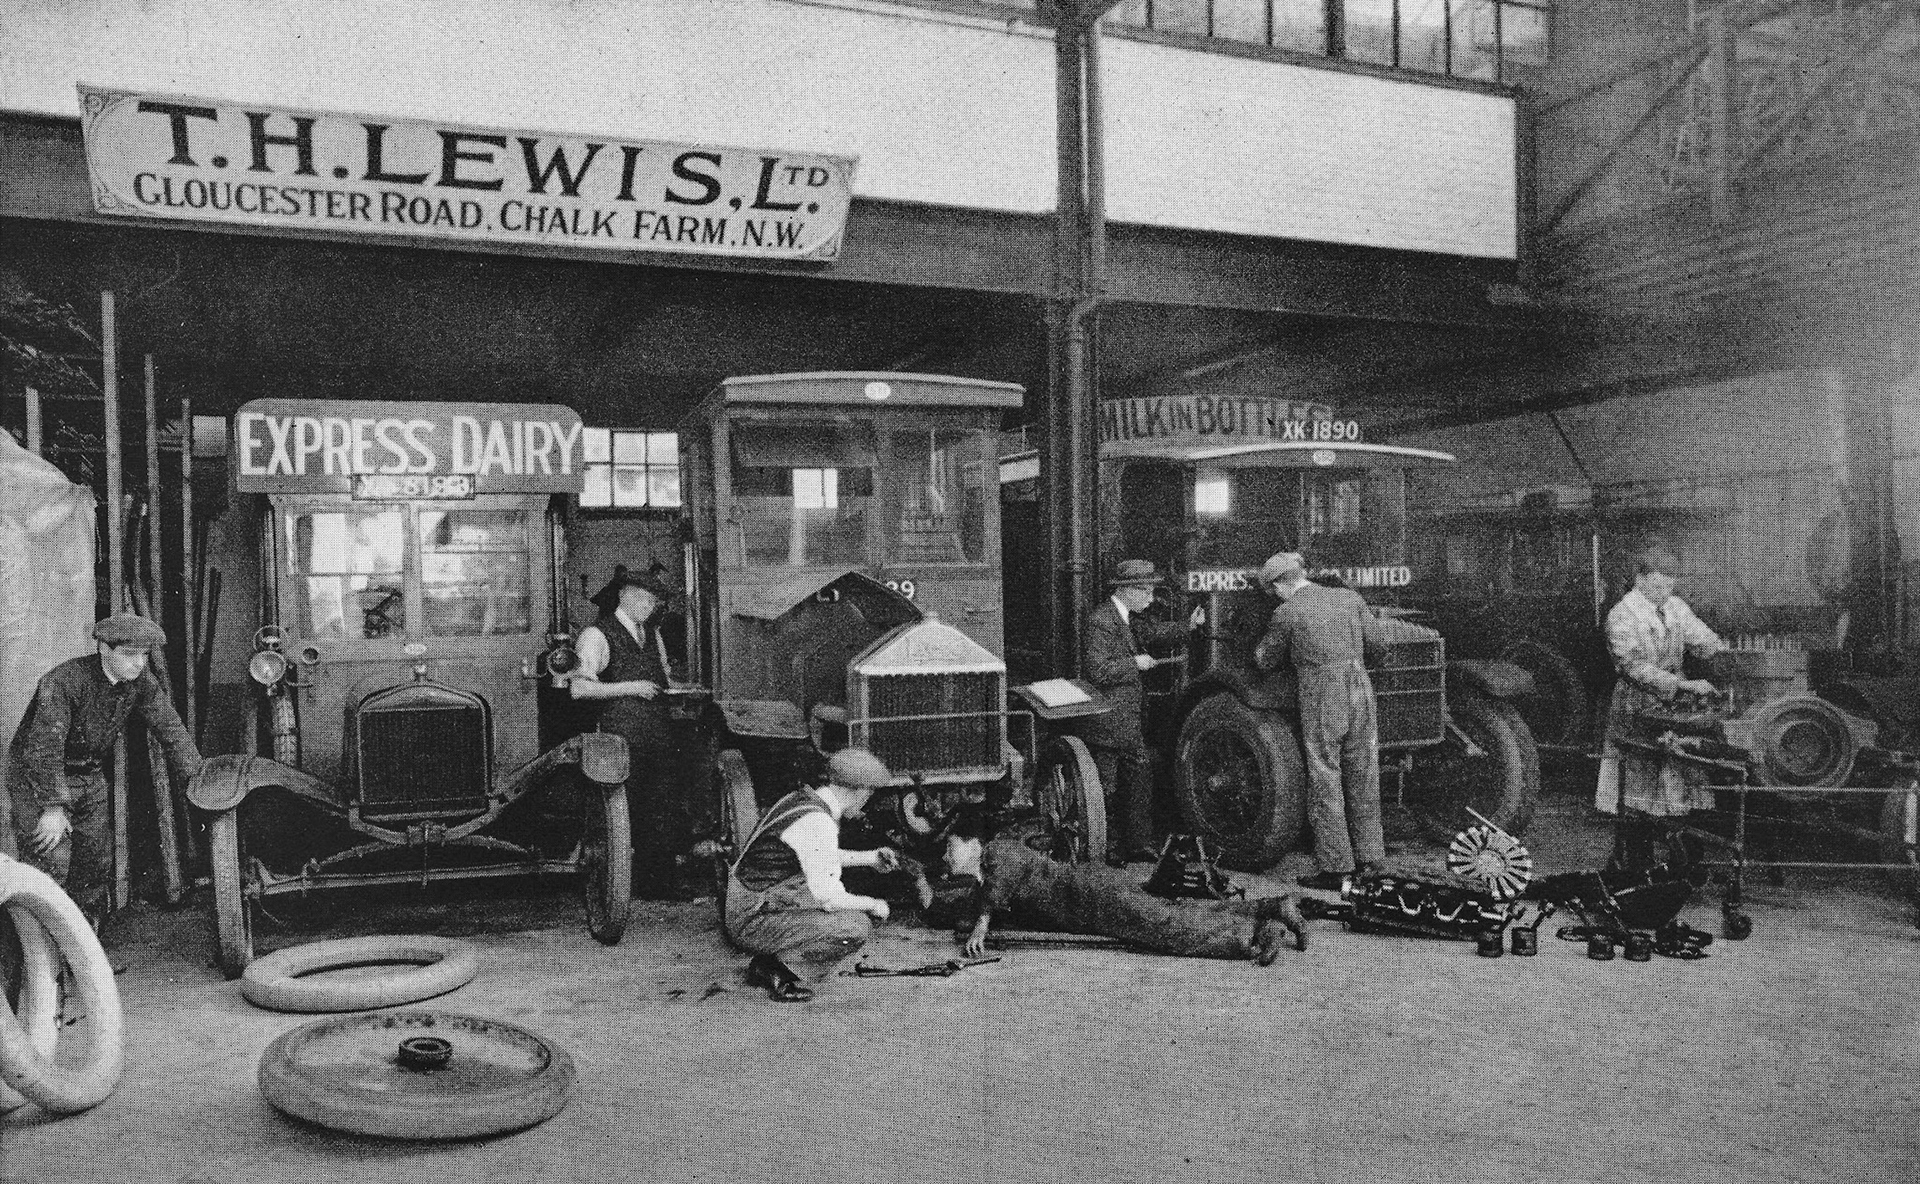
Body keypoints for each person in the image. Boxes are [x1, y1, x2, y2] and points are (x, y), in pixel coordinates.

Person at [7, 614, 203, 928]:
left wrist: (198, 775)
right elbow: (44, 748)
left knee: (94, 862)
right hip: (37, 778)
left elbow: (170, 727)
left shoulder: (139, 682)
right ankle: (40, 963)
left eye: (144, 655)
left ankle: (85, 959)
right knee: (51, 863)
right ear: (103, 649)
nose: (139, 663)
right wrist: (53, 808)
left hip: (88, 773)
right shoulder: (63, 681)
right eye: (129, 655)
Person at [927, 814, 1308, 965]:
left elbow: (1002, 882)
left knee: (1166, 928)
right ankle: (1272, 909)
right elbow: (949, 903)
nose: (947, 857)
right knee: (1169, 914)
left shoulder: (998, 850)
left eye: (950, 847)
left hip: (1092, 894)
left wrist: (982, 923)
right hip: (1091, 896)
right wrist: (917, 880)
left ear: (971, 841)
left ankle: (1250, 941)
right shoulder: (984, 873)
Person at [1251, 552, 1387, 891]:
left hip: (1323, 695)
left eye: (1273, 591)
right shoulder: (1349, 597)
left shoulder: (1288, 611)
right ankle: (1370, 860)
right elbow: (1379, 646)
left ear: (1281, 584)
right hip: (1360, 688)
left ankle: (1336, 867)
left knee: (1326, 776)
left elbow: (1265, 659)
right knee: (1364, 772)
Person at [724, 747, 900, 1002]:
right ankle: (779, 969)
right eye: (869, 794)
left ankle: (772, 961)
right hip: (751, 918)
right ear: (861, 791)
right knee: (854, 926)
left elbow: (817, 855)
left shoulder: (803, 800)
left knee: (833, 909)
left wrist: (870, 858)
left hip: (753, 900)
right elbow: (828, 896)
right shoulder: (818, 822)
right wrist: (874, 905)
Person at [1596, 548, 1726, 848]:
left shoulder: (1675, 606)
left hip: (1675, 704)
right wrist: (1683, 685)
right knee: (1638, 787)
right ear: (1639, 580)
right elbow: (1631, 666)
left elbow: (1703, 639)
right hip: (1637, 703)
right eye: (1657, 586)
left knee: (1676, 778)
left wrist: (1717, 649)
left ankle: (1679, 852)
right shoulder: (1621, 614)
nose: (1664, 593)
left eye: (1669, 586)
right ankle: (1633, 856)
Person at [571, 566, 684, 898]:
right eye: (648, 602)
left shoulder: (651, 634)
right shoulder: (596, 635)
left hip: (657, 732)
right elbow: (579, 689)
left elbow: (663, 678)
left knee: (660, 805)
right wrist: (630, 687)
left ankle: (658, 884)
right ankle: (618, 886)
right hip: (621, 735)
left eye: (654, 604)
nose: (651, 609)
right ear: (628, 597)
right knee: (624, 808)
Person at [1079, 558, 1195, 865]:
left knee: (1139, 782)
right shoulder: (1101, 620)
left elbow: (1157, 634)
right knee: (1108, 788)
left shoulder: (1130, 619)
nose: (1150, 599)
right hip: (1107, 722)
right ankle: (1110, 848)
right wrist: (1136, 664)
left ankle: (1140, 845)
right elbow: (1097, 671)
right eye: (1146, 592)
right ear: (1128, 590)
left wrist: (1190, 626)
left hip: (1129, 722)